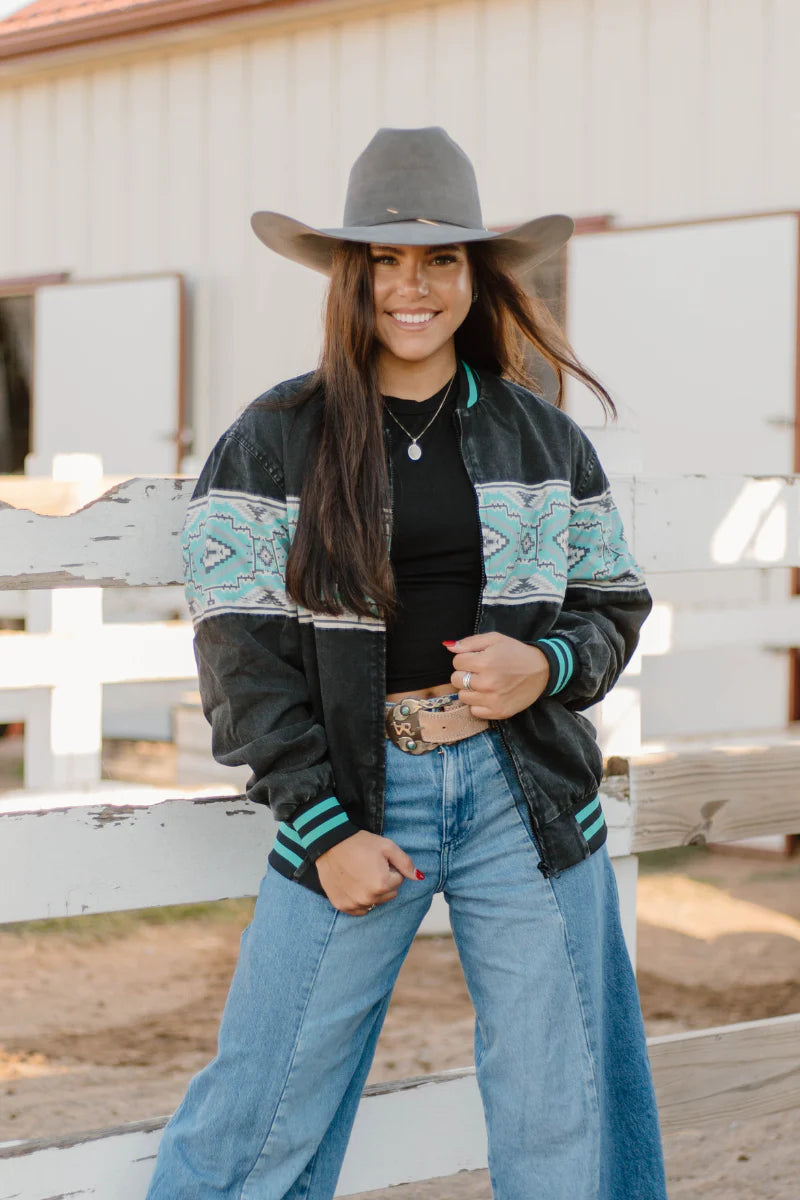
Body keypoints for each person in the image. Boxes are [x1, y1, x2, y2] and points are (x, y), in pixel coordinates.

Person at [146, 126, 667, 1199]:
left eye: (439, 260)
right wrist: (321, 826)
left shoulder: (542, 437)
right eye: (384, 260)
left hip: (523, 795)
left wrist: (546, 666)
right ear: (350, 276)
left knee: (558, 1103)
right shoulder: (273, 437)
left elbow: (611, 600)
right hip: (355, 796)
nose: (411, 287)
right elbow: (238, 653)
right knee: (261, 1103)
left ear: (476, 277)